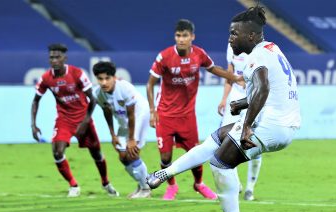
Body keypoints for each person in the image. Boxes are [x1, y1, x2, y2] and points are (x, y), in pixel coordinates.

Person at [147, 6, 300, 212]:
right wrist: (243, 103)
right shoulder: (272, 50)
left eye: (233, 33)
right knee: (217, 138)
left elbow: (263, 88)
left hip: (270, 125)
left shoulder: (257, 57)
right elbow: (272, 89)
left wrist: (247, 124)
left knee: (219, 163)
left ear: (250, 36)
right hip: (281, 122)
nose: (229, 38)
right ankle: (165, 173)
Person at [146, 19, 242, 200]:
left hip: (187, 116)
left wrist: (235, 78)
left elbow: (214, 69)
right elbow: (150, 84)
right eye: (178, 35)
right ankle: (171, 187)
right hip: (165, 115)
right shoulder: (164, 56)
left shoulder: (199, 54)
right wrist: (152, 111)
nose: (181, 39)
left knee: (196, 153)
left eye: (185, 36)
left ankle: (199, 184)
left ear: (192, 37)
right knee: (165, 157)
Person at [31, 43, 119, 198]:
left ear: (64, 58)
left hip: (83, 118)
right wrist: (33, 125)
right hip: (64, 120)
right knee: (57, 152)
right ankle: (73, 185)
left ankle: (106, 183)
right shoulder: (46, 78)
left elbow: (92, 99)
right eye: (51, 57)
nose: (54, 60)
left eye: (57, 57)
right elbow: (36, 100)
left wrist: (85, 121)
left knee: (96, 153)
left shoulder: (77, 73)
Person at [92, 61, 151, 199]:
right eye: (100, 79)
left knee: (132, 153)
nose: (104, 82)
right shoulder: (98, 94)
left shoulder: (124, 88)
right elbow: (106, 112)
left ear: (114, 77)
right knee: (122, 156)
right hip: (124, 120)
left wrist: (131, 139)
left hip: (139, 115)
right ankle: (142, 183)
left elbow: (131, 114)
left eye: (107, 78)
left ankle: (146, 188)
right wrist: (113, 135)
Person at [218, 43, 262, 201]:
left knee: (255, 142)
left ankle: (250, 188)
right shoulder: (231, 47)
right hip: (235, 97)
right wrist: (224, 99)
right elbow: (230, 76)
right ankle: (236, 184)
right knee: (227, 140)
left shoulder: (259, 48)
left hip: (254, 98)